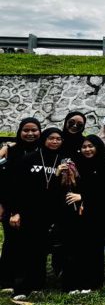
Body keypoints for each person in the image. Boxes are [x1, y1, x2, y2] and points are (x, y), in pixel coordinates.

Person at [7, 126, 61, 298]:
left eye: (58, 139)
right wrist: (15, 212)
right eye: (51, 138)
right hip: (29, 211)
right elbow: (16, 187)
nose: (54, 141)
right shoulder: (29, 159)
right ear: (44, 139)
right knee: (25, 249)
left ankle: (38, 285)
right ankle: (21, 288)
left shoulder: (63, 161)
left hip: (50, 213)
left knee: (41, 250)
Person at [63, 135, 105, 293]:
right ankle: (73, 282)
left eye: (91, 146)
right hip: (76, 214)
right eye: (84, 147)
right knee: (75, 248)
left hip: (96, 214)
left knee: (93, 248)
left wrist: (84, 197)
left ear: (98, 147)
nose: (87, 150)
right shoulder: (76, 166)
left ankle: (91, 282)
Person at [0, 117, 41, 288]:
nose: (30, 134)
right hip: (10, 203)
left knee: (31, 241)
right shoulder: (10, 151)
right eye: (26, 130)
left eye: (34, 130)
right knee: (11, 240)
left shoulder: (44, 151)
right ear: (19, 131)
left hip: (34, 205)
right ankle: (6, 279)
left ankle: (27, 278)